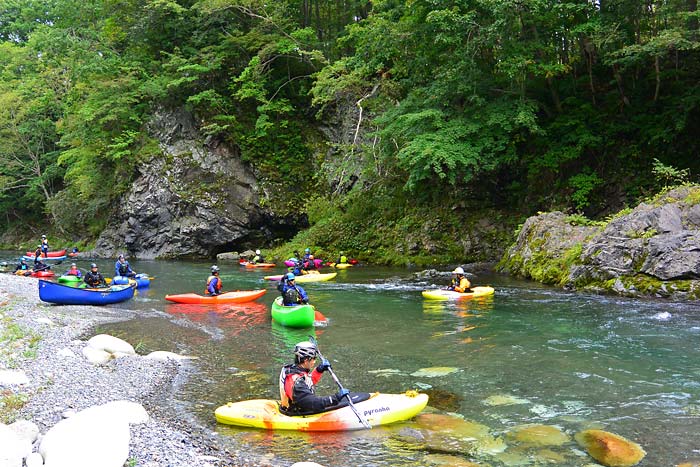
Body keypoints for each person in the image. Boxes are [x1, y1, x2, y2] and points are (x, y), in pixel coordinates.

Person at [278, 341, 350, 415]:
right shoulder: (297, 383)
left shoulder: (293, 370)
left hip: (300, 404)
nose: (314, 361)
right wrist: (335, 398)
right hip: (297, 412)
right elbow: (312, 403)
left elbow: (307, 383)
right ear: (306, 361)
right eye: (313, 359)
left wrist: (319, 370)